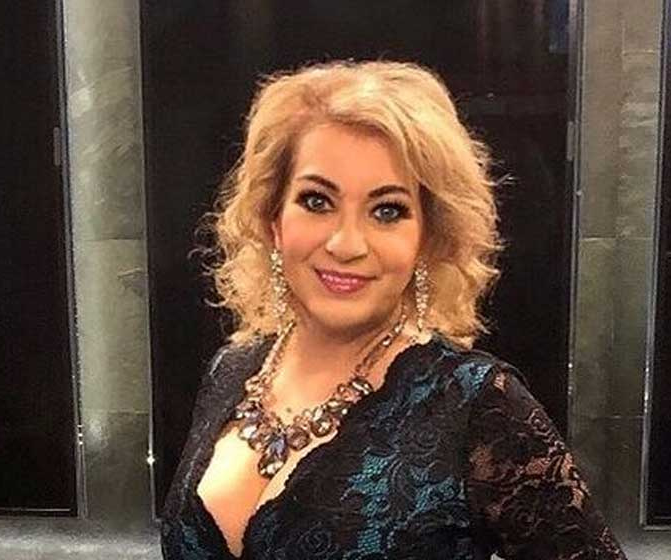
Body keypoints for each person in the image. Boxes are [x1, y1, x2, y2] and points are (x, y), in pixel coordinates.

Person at [160, 60, 626, 559]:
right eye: (317, 201)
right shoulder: (232, 371)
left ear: (428, 237)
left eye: (387, 211)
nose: (346, 244)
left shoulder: (474, 404)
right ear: (274, 219)